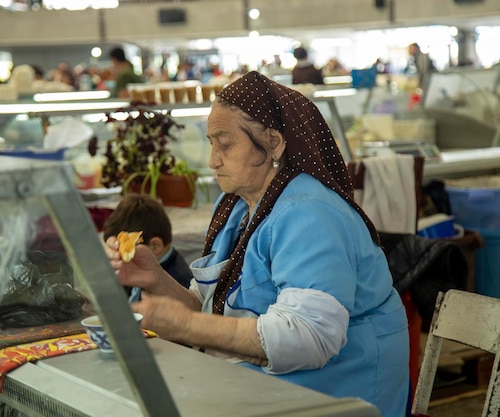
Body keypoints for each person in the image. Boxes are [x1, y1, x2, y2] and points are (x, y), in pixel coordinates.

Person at [104, 71, 410, 417]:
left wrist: (188, 327)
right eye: (211, 143)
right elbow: (212, 309)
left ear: (274, 143)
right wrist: (155, 280)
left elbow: (310, 337)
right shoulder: (240, 209)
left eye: (225, 143)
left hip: (343, 395)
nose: (212, 160)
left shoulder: (308, 214)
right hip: (271, 384)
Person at [102, 193, 192, 301]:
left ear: (155, 246)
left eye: (126, 249)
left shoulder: (179, 281)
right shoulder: (134, 267)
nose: (120, 255)